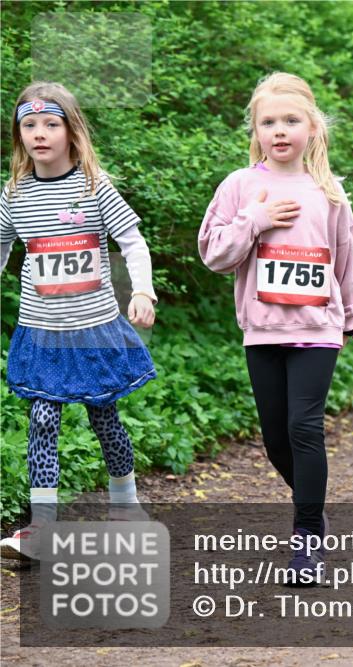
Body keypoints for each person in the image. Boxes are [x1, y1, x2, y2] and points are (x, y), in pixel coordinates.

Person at [199, 72, 353, 584]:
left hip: (318, 326)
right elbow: (214, 254)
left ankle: (307, 538)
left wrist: (350, 311)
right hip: (263, 328)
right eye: (268, 122)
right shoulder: (240, 186)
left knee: (303, 427)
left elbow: (346, 255)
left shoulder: (328, 191)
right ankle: (313, 508)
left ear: (312, 128)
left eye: (291, 120)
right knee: (275, 440)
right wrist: (256, 219)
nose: (280, 130)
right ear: (255, 130)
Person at [0, 82, 157, 561]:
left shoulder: (93, 186)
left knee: (104, 416)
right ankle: (41, 529)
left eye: (51, 124)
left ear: (71, 132)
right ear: (19, 135)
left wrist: (144, 291)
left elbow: (131, 240)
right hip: (42, 331)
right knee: (43, 421)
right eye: (30, 125)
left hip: (94, 328)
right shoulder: (14, 193)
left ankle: (126, 507)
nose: (40, 134)